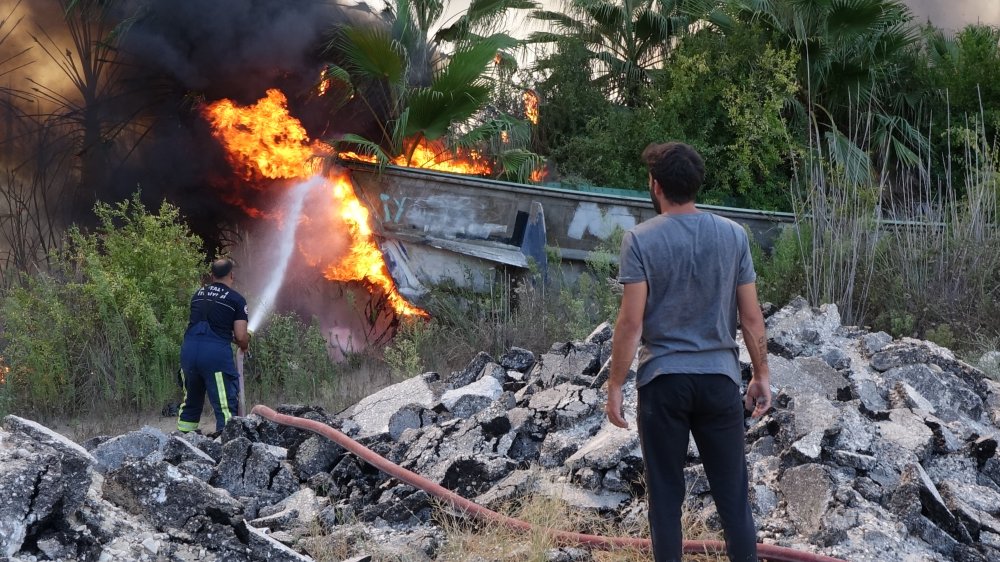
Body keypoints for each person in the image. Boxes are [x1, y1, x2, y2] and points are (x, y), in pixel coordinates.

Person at [604, 142, 772, 562]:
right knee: (734, 499)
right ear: (696, 185)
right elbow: (751, 319)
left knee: (664, 499)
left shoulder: (639, 240)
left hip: (664, 383)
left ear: (655, 186)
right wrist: (761, 375)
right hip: (719, 380)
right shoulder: (734, 236)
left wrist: (615, 385)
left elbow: (631, 323)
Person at [178, 257, 250, 436]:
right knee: (224, 404)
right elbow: (241, 336)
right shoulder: (236, 299)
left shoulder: (198, 294)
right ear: (231, 275)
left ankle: (184, 444)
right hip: (215, 355)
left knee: (191, 401)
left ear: (212, 275)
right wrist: (246, 342)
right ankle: (228, 445)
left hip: (189, 351)